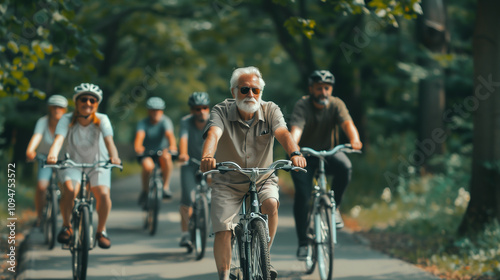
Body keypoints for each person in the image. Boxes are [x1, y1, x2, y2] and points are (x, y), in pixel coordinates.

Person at [200, 66, 307, 280]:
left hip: (262, 178)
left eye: (255, 91)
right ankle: (223, 276)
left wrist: (295, 152)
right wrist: (207, 156)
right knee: (223, 229)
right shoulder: (220, 110)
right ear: (233, 92)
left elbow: (283, 132)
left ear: (261, 93)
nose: (250, 95)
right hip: (228, 179)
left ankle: (263, 255)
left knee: (271, 205)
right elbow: (214, 133)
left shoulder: (270, 110)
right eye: (245, 89)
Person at [289, 70, 363, 259]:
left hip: (328, 153)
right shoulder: (302, 105)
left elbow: (348, 124)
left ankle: (334, 207)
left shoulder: (336, 104)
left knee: (345, 167)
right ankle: (304, 244)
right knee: (303, 196)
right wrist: (294, 149)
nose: (323, 92)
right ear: (311, 89)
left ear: (331, 89)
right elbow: (296, 129)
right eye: (319, 88)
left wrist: (355, 139)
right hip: (303, 156)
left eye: (327, 88)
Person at [46, 83, 121, 249]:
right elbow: (58, 140)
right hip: (72, 163)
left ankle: (101, 231)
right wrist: (52, 154)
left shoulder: (102, 119)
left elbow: (109, 142)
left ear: (97, 104)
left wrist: (114, 156)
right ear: (76, 102)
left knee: (103, 193)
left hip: (98, 164)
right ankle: (67, 226)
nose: (88, 103)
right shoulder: (66, 119)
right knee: (71, 190)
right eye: (84, 99)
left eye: (92, 100)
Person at [26, 94, 68, 225]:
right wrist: (30, 150)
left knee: (68, 187)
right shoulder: (42, 122)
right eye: (54, 107)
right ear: (49, 108)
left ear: (65, 110)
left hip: (63, 159)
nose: (57, 110)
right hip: (44, 158)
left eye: (60, 107)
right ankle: (39, 217)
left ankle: (66, 214)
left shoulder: (68, 123)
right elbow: (37, 136)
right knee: (41, 187)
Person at [177, 92, 211, 248]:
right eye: (197, 109)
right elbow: (183, 138)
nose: (201, 111)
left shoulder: (214, 121)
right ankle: (185, 234)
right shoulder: (186, 122)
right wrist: (183, 154)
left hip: (211, 163)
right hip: (190, 163)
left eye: (204, 108)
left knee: (219, 193)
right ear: (192, 110)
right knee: (188, 199)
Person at [134, 97, 178, 204]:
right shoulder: (143, 123)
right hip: (147, 153)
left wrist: (172, 146)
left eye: (158, 110)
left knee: (167, 158)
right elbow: (140, 136)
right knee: (147, 166)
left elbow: (169, 135)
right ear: (148, 111)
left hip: (162, 152)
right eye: (152, 110)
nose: (155, 112)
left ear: (162, 111)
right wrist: (138, 147)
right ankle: (145, 191)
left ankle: (165, 187)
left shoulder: (165, 121)